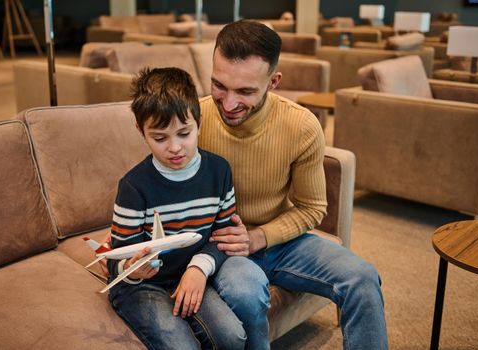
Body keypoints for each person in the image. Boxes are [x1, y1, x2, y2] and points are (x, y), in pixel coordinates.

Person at [198, 20, 389, 350]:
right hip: (224, 247)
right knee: (247, 291)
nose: (228, 104)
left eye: (245, 91)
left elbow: (312, 208)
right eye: (219, 86)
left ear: (274, 81)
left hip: (279, 239)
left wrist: (259, 236)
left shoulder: (301, 126)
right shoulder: (193, 121)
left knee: (362, 279)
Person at [106, 67, 247, 350]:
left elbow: (224, 237)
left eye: (184, 133)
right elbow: (116, 260)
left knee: (232, 337)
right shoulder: (134, 186)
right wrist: (132, 269)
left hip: (191, 273)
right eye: (160, 138)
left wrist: (198, 268)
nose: (175, 148)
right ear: (140, 131)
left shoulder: (219, 171)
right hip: (141, 287)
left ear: (199, 122)